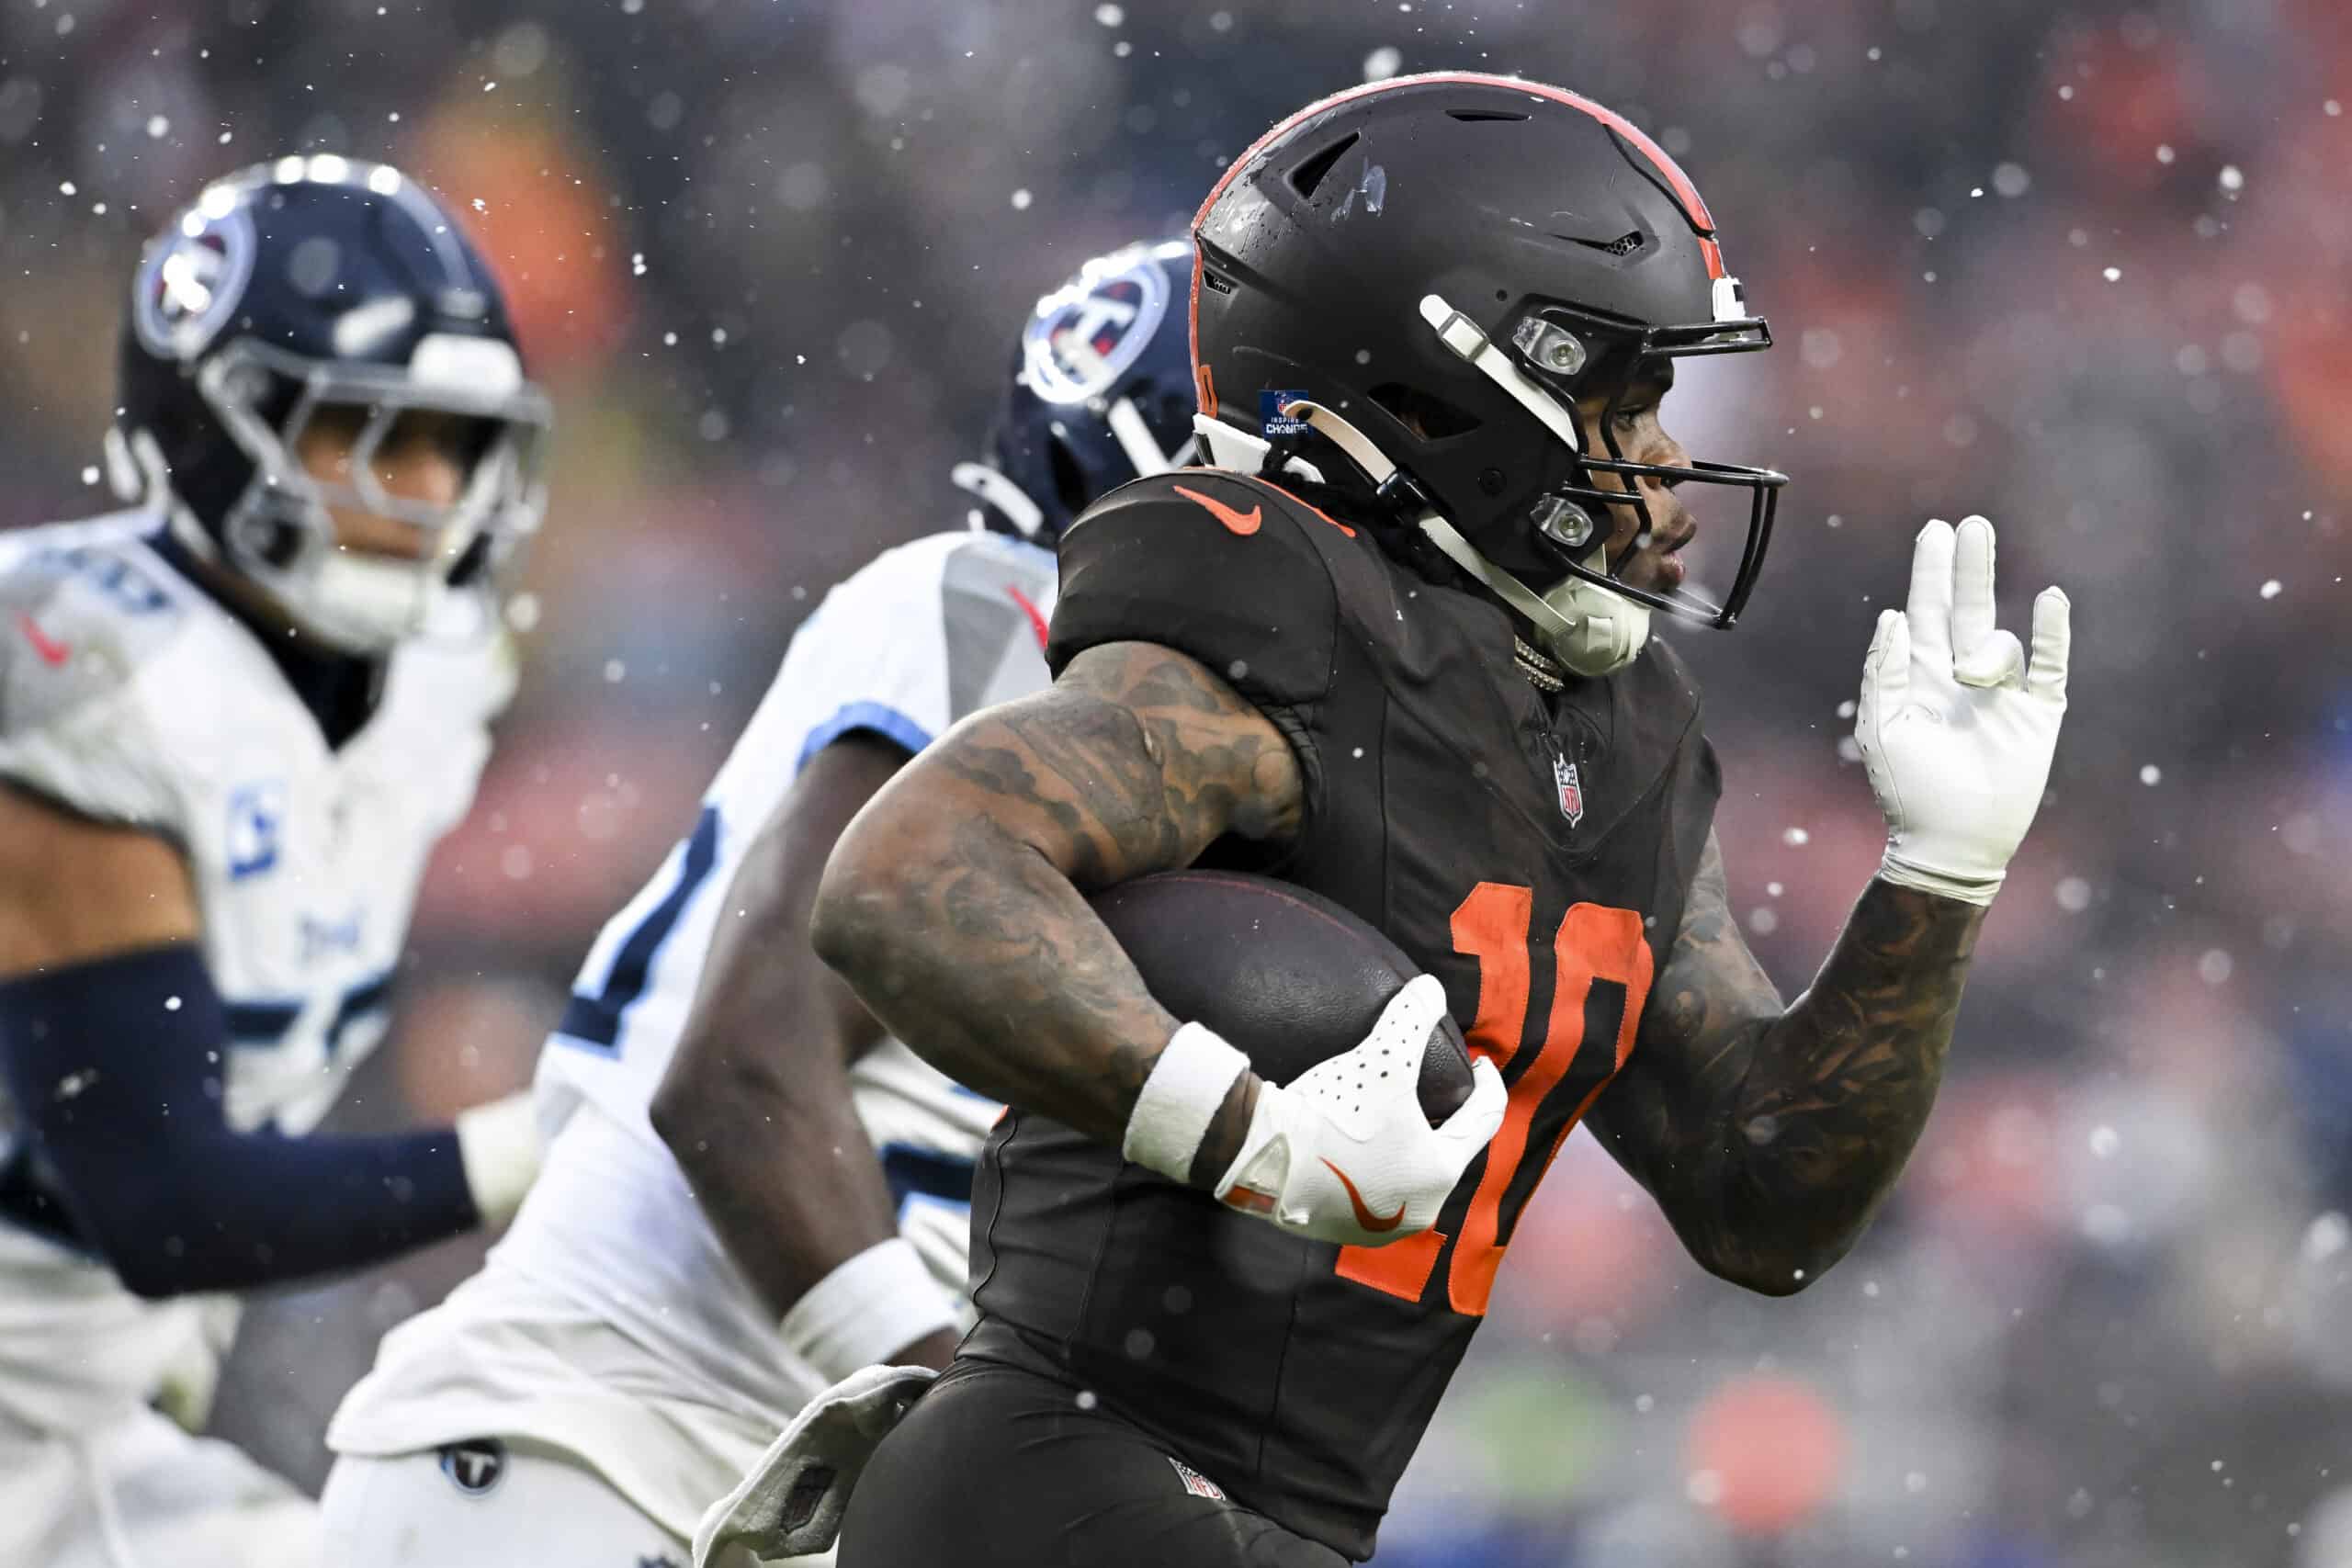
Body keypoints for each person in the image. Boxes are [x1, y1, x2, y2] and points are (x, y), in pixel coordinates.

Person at [804, 73, 2073, 1567]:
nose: (1665, 460)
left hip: (1269, 1524)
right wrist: (1251, 1137)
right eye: (1626, 395)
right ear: (1445, 392)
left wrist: (1938, 880)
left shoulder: (1616, 731)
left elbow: (1763, 1197)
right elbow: (904, 873)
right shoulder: (1287, 616)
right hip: (1060, 1489)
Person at [318, 239, 1201, 1568]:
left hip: (693, 1491)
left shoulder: (1165, 767)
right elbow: (740, 1077)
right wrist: (962, 1427)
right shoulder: (1008, 615)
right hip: (595, 1459)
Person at [0, 157, 552, 1568]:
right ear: (213, 424)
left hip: (86, 1418)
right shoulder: (82, 673)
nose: (425, 494)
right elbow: (167, 1203)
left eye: (454, 444)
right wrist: (540, 1144)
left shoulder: (433, 677)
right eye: (366, 435)